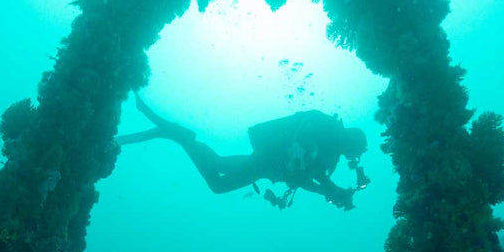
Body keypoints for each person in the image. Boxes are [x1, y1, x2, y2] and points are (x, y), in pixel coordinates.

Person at [118, 94, 369, 210]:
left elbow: (304, 179)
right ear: (352, 144)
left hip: (266, 162)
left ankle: (176, 135)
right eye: (354, 153)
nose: (352, 159)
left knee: (216, 163)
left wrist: (331, 190)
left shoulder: (330, 149)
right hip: (266, 162)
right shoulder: (330, 137)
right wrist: (332, 190)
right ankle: (179, 136)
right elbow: (307, 175)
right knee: (217, 185)